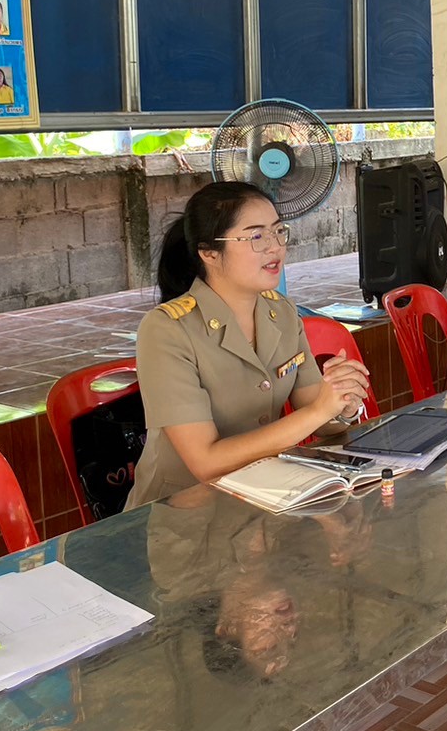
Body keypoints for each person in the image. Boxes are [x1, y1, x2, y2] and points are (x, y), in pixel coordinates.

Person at [123, 181, 372, 510]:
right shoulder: (167, 330)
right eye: (256, 236)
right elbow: (206, 462)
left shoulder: (282, 313)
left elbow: (320, 414)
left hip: (262, 498)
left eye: (278, 232)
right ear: (209, 253)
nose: (275, 247)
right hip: (181, 514)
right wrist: (319, 411)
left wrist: (343, 403)